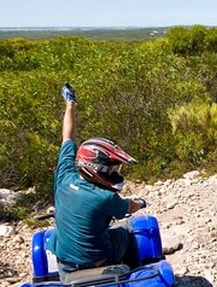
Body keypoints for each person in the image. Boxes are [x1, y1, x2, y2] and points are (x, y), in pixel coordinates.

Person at [47, 82, 148, 274]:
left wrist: (70, 103)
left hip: (66, 265)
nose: (113, 172)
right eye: (110, 169)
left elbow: (67, 136)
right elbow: (128, 208)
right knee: (125, 231)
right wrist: (141, 202)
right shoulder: (106, 198)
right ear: (96, 169)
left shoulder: (65, 175)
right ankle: (135, 275)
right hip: (100, 260)